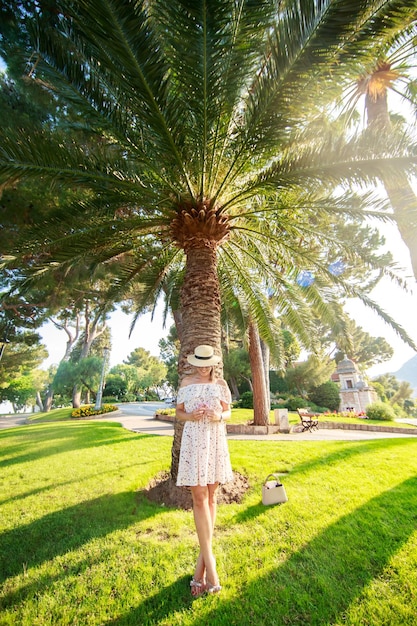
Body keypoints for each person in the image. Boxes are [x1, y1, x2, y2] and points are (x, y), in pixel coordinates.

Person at [175, 344, 234, 597]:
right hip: (193, 443)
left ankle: (200, 571)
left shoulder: (220, 384)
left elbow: (228, 412)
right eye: (199, 363)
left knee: (211, 498)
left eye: (207, 363)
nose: (204, 367)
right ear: (193, 362)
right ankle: (212, 571)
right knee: (199, 499)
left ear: (213, 362)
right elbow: (178, 414)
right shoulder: (186, 383)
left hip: (214, 440)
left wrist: (216, 416)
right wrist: (192, 415)